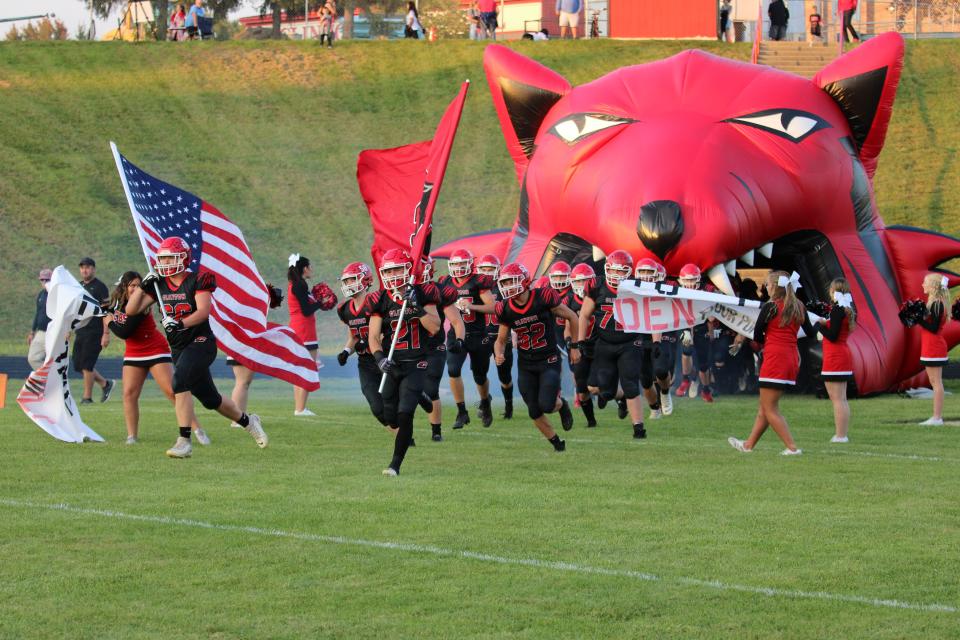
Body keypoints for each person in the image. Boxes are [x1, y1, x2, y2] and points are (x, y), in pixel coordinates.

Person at [125, 236, 268, 458]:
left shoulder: (199, 280)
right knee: (211, 399)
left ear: (183, 258)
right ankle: (249, 421)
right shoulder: (158, 285)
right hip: (179, 347)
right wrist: (142, 287)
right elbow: (131, 310)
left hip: (201, 342)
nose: (164, 263)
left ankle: (184, 441)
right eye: (162, 259)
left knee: (179, 380)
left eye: (169, 258)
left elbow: (203, 312)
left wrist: (179, 323)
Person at [107, 271, 207, 446]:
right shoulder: (116, 303)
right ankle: (132, 436)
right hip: (133, 352)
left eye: (139, 285)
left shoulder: (142, 302)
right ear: (124, 286)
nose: (136, 289)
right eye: (132, 285)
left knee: (172, 391)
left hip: (154, 349)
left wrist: (108, 321)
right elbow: (105, 312)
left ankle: (197, 429)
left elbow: (124, 331)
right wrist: (104, 329)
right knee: (129, 394)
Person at [367, 249, 442, 476]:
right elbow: (373, 335)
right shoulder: (379, 298)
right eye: (388, 271)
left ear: (408, 270)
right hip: (393, 362)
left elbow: (435, 326)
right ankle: (421, 396)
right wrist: (379, 359)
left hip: (417, 361)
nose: (392, 275)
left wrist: (414, 306)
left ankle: (395, 465)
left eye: (397, 269)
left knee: (404, 413)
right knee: (389, 416)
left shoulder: (423, 292)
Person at [494, 263, 579, 451]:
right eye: (505, 282)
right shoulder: (505, 308)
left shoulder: (543, 297)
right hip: (526, 363)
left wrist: (574, 346)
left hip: (548, 359)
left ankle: (562, 405)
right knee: (534, 410)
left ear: (524, 280)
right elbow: (500, 340)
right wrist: (498, 353)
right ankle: (557, 444)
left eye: (511, 281)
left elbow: (573, 317)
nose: (507, 286)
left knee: (547, 404)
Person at [728, 271, 811, 455]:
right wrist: (820, 322)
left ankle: (792, 447)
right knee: (764, 407)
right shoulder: (799, 306)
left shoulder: (771, 307)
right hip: (790, 359)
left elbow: (757, 335)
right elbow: (811, 333)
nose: (765, 287)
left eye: (767, 284)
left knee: (770, 408)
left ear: (775, 287)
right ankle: (748, 445)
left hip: (774, 359)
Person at [577, 250, 647, 439]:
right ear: (606, 269)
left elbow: (653, 312)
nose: (616, 275)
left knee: (631, 384)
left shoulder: (637, 287)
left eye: (620, 271)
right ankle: (621, 397)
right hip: (605, 343)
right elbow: (584, 315)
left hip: (629, 343)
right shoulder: (597, 285)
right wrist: (581, 341)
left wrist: (654, 340)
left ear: (629, 272)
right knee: (604, 391)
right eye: (613, 271)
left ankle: (639, 427)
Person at [439, 249, 498, 429]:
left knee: (480, 376)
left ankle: (485, 402)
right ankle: (462, 411)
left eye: (461, 264)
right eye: (455, 264)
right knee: (453, 370)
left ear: (470, 264)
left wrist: (471, 305)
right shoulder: (445, 282)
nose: (458, 268)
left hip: (478, 334)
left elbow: (493, 307)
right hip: (456, 334)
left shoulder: (478, 281)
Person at [419, 257, 466, 441]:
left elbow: (456, 320)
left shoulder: (440, 291)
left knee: (431, 389)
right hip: (410, 348)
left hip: (434, 347)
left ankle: (436, 431)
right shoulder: (404, 292)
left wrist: (460, 339)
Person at [815, 278, 856, 442]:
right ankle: (841, 434)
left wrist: (819, 326)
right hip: (841, 355)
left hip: (835, 357)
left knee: (837, 399)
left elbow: (832, 336)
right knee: (841, 399)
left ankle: (841, 435)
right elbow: (837, 329)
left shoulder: (838, 309)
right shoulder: (844, 309)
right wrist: (826, 323)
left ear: (834, 291)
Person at [287, 253, 325, 417]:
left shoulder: (296, 284)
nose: (311, 269)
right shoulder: (299, 285)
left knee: (301, 369)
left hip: (299, 329)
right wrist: (321, 302)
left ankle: (299, 408)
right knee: (307, 369)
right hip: (304, 331)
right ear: (303, 268)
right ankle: (301, 409)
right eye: (309, 266)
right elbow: (306, 310)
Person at [476, 255, 513, 419]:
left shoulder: (504, 288)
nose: (486, 273)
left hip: (502, 336)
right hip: (482, 337)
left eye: (489, 269)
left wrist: (515, 333)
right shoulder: (476, 288)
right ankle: (485, 400)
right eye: (483, 269)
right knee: (479, 373)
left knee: (504, 376)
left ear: (497, 270)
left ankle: (509, 405)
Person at [73, 257, 114, 405]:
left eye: (88, 267)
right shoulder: (77, 286)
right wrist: (69, 329)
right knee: (78, 364)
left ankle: (87, 397)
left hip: (95, 331)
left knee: (87, 365)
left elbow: (106, 312)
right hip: (81, 330)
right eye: (82, 267)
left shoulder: (100, 287)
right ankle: (105, 384)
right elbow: (74, 310)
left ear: (93, 269)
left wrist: (106, 333)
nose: (85, 270)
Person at [675, 264, 716, 402]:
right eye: (687, 280)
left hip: (701, 326)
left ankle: (705, 389)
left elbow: (712, 317)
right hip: (685, 324)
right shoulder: (676, 289)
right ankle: (685, 379)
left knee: (703, 364)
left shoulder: (708, 290)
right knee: (686, 349)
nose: (690, 284)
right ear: (681, 280)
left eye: (692, 280)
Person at [916, 273, 950, 426]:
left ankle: (937, 417)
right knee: (935, 382)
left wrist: (918, 319)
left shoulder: (937, 304)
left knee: (936, 383)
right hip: (931, 346)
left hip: (934, 346)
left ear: (933, 286)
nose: (923, 285)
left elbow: (934, 328)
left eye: (925, 282)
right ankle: (936, 417)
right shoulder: (935, 303)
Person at [568, 263, 598, 427]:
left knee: (595, 387)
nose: (582, 285)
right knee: (582, 390)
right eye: (578, 281)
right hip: (581, 347)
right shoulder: (570, 301)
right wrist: (569, 341)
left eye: (585, 281)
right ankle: (591, 421)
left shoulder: (598, 297)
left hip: (600, 346)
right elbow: (567, 326)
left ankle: (621, 399)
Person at [27, 268, 52, 371]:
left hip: (53, 333)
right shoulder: (41, 295)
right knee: (33, 358)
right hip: (41, 332)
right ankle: (47, 378)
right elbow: (38, 314)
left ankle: (54, 382)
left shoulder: (56, 295)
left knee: (53, 360)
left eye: (47, 280)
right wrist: (32, 332)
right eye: (42, 280)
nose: (44, 282)